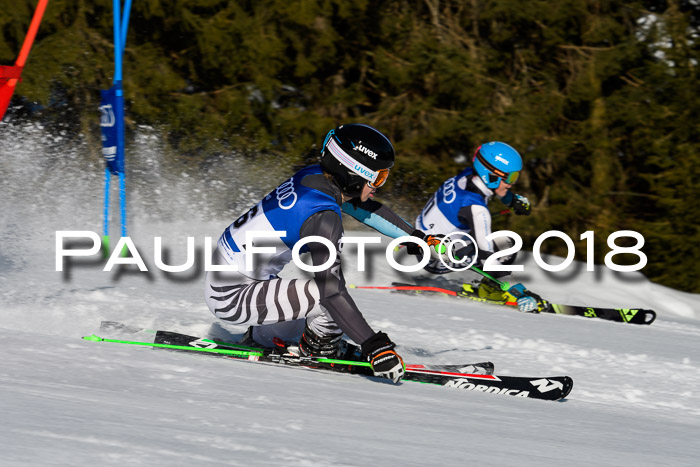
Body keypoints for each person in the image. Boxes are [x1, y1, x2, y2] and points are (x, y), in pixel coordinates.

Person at [204, 123, 447, 384]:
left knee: (314, 315)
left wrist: (415, 237)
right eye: (377, 177)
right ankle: (319, 350)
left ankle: (265, 338)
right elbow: (330, 292)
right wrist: (374, 346)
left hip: (230, 282)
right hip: (232, 295)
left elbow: (364, 208)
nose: (379, 185)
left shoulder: (314, 177)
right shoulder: (323, 218)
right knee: (324, 299)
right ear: (354, 173)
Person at [413, 141, 545, 313]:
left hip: (419, 241)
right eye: (511, 178)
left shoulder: (467, 176)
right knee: (508, 244)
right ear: (492, 175)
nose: (512, 184)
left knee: (482, 237)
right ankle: (492, 289)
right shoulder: (477, 209)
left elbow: (491, 190)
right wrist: (520, 293)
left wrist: (512, 201)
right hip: (435, 260)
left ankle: (490, 285)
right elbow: (487, 258)